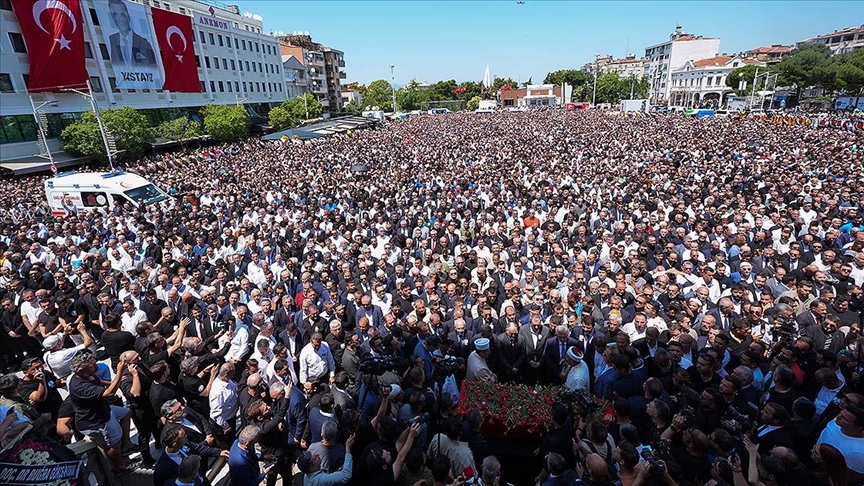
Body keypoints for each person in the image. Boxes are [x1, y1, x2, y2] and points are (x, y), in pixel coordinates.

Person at [106, 0, 157, 67]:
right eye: (115, 14)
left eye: (122, 14)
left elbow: (153, 66)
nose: (120, 19)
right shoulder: (111, 40)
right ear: (112, 17)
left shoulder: (144, 43)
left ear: (128, 15)